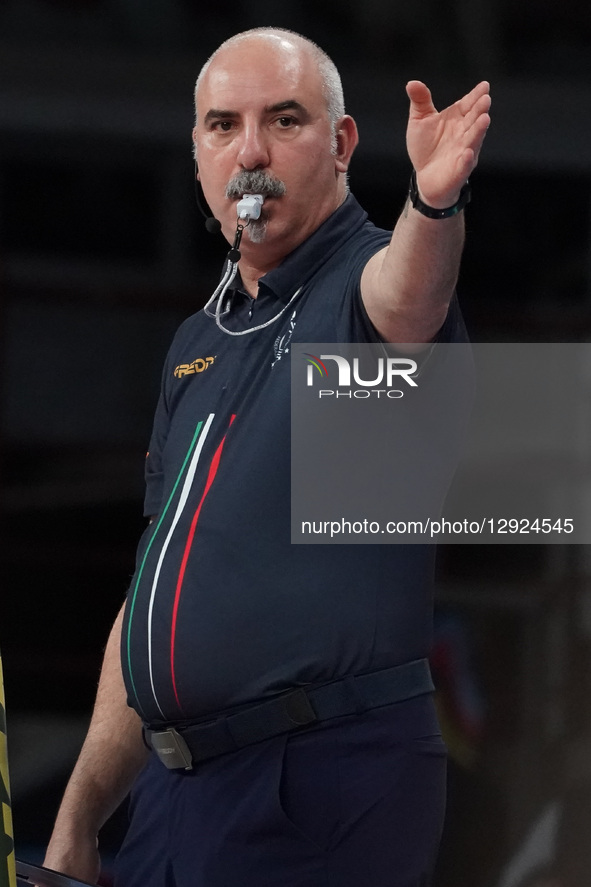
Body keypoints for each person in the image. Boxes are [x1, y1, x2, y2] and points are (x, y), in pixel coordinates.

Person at [43, 27, 491, 887]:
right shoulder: (198, 339)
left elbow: (407, 295)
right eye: (222, 126)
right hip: (177, 793)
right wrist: (79, 818)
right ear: (198, 151)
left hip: (314, 779)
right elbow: (154, 590)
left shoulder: (356, 287)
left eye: (283, 121)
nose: (249, 151)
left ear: (342, 142)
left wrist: (432, 207)